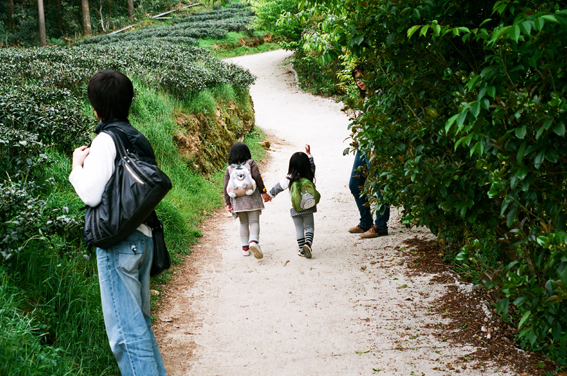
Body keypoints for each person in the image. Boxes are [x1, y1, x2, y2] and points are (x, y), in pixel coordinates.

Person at [69, 70, 167, 375]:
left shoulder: (105, 140)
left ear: (95, 109)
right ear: (128, 102)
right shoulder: (137, 137)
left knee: (126, 338)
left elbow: (91, 194)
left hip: (119, 245)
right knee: (140, 330)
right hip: (145, 237)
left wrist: (76, 165)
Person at [348, 65, 390, 238]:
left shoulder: (378, 97)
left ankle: (380, 225)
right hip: (363, 147)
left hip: (375, 147)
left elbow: (379, 125)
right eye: (357, 79)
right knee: (355, 183)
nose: (359, 82)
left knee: (380, 186)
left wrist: (375, 150)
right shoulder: (362, 98)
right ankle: (366, 222)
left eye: (362, 77)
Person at [267, 145, 317, 258]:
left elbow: (278, 187)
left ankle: (301, 249)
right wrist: (309, 154)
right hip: (308, 205)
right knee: (309, 227)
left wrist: (269, 195)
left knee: (299, 228)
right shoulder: (309, 175)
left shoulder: (289, 178)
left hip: (294, 207)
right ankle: (308, 244)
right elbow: (312, 165)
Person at [224, 142, 271, 259]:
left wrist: (228, 203)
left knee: (243, 223)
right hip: (252, 199)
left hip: (238, 202)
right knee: (254, 222)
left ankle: (245, 248)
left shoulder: (229, 169)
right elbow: (257, 177)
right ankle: (254, 241)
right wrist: (263, 192)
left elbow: (226, 187)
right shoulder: (251, 163)